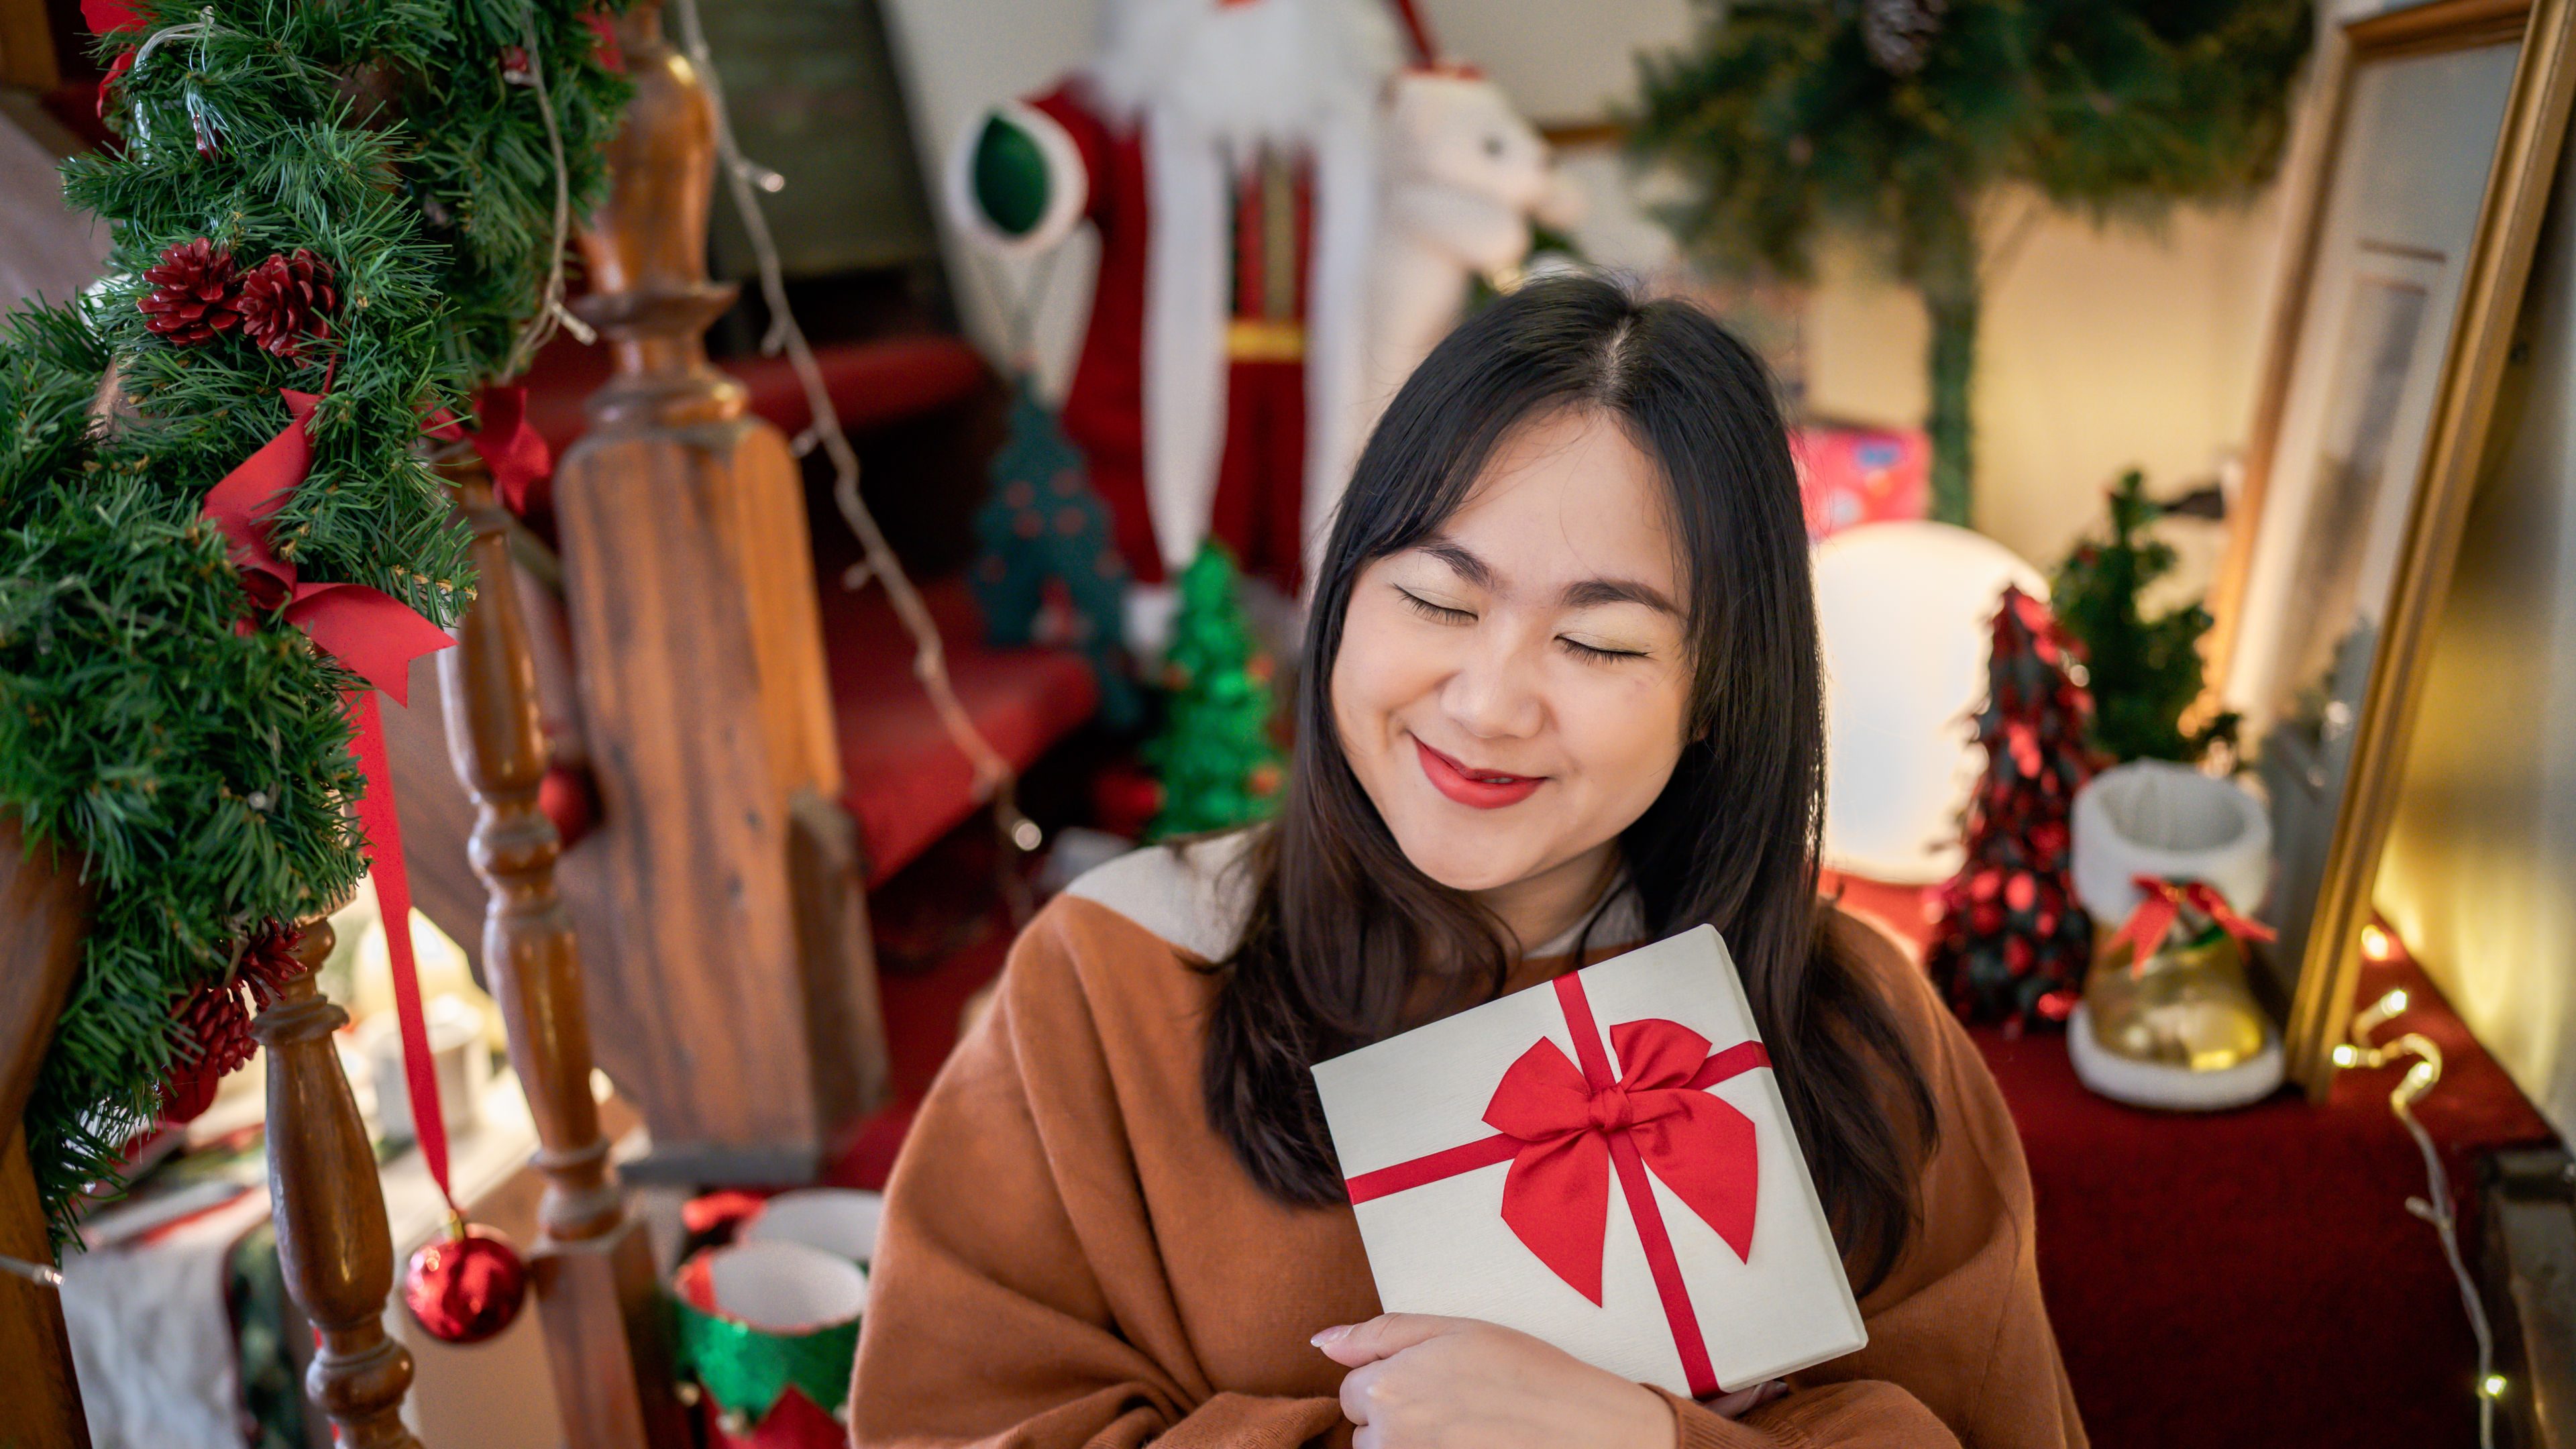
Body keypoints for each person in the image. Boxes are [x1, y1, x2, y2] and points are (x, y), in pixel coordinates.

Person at [850, 274, 2087, 1448]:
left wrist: (1647, 1439)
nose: (1490, 703)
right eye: (1440, 603)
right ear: (1345, 597)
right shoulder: (1118, 974)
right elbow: (950, 1416)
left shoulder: (1856, 1017)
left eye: (1600, 643)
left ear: (1717, 692)